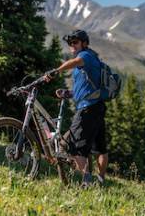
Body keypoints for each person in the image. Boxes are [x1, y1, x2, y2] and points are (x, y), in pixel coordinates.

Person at [45, 29, 108, 187]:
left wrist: (56, 71)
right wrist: (69, 93)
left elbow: (75, 62)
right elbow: (85, 90)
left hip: (88, 109)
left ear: (84, 43)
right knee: (100, 148)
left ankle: (86, 183)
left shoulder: (85, 55)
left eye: (75, 42)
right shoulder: (87, 62)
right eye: (70, 43)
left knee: (73, 146)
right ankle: (100, 182)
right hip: (96, 107)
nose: (72, 45)